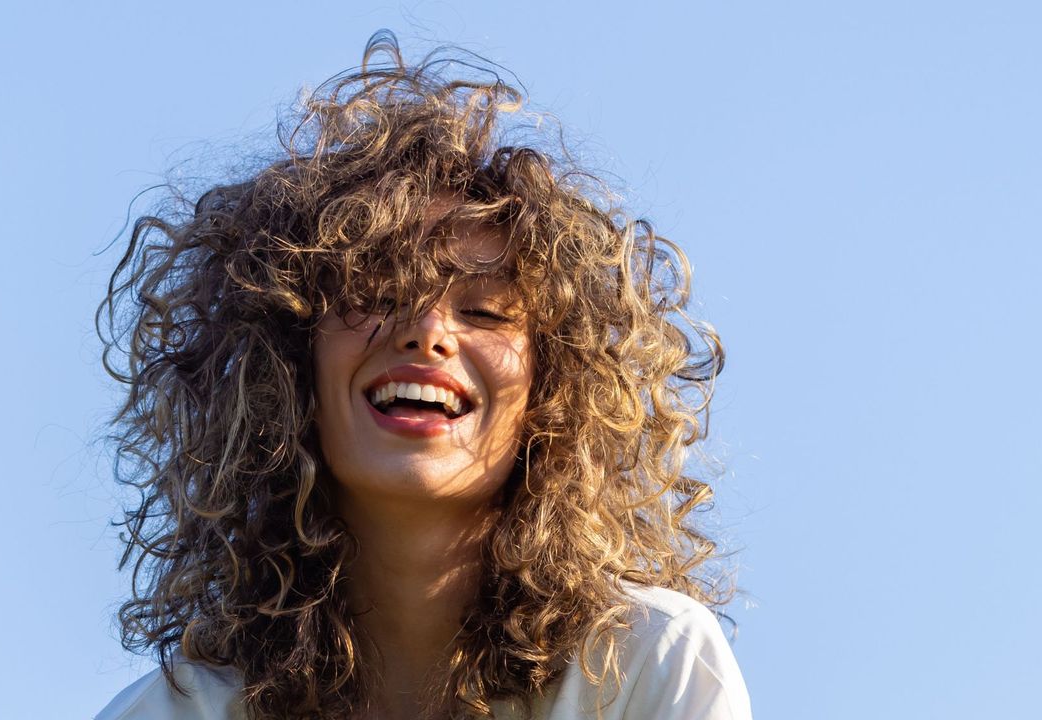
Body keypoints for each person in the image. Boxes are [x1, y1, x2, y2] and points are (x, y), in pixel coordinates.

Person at [94, 31, 751, 720]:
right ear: (288, 368)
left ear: (550, 394)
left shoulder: (652, 660)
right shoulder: (181, 710)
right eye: (376, 296)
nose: (427, 333)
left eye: (485, 312)